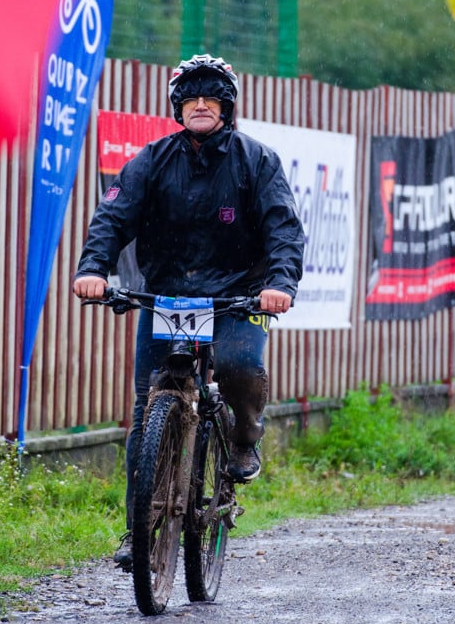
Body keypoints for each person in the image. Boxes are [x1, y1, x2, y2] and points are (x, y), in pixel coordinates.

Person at [74, 54, 305, 569]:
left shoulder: (256, 161)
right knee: (145, 410)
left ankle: (244, 438)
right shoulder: (152, 160)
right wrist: (94, 269)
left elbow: (284, 230)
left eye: (212, 96)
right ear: (178, 107)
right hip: (167, 298)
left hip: (238, 297)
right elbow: (112, 217)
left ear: (227, 105)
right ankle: (139, 527)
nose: (201, 104)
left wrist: (279, 285)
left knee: (242, 364)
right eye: (191, 97)